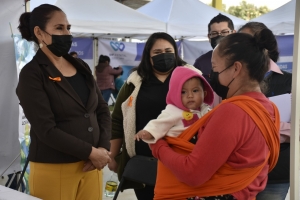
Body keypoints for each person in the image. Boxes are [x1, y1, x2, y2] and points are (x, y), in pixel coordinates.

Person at [150, 30, 281, 200]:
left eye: (214, 68)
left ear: (236, 68)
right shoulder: (271, 109)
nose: (211, 76)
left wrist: (158, 146)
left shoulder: (232, 112)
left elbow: (193, 173)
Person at [16, 4, 111, 200]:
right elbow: (46, 129)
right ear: (39, 33)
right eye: (59, 28)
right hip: (54, 167)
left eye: (68, 28)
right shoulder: (32, 74)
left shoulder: (81, 65)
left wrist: (102, 149)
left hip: (91, 166)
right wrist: (91, 151)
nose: (67, 33)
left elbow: (101, 109)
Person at [109, 32, 188, 200]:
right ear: (148, 56)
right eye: (157, 53)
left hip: (182, 163)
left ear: (175, 52)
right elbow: (117, 120)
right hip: (144, 164)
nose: (164, 56)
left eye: (168, 50)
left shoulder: (190, 78)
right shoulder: (135, 81)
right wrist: (112, 156)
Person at [239, 22, 292, 200]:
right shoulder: (233, 84)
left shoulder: (291, 82)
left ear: (265, 47)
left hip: (275, 175)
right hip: (239, 173)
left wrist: (261, 128)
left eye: (247, 43)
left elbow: (296, 129)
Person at [135, 67, 214, 143]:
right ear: (175, 95)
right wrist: (148, 132)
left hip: (197, 149)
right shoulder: (173, 111)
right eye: (183, 92)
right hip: (178, 149)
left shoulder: (206, 110)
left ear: (204, 93)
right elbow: (159, 124)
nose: (190, 95)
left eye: (195, 90)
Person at [193, 13, 236, 82]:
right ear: (209, 37)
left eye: (224, 32)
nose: (219, 36)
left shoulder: (244, 58)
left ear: (233, 33)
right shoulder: (201, 63)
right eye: (214, 33)